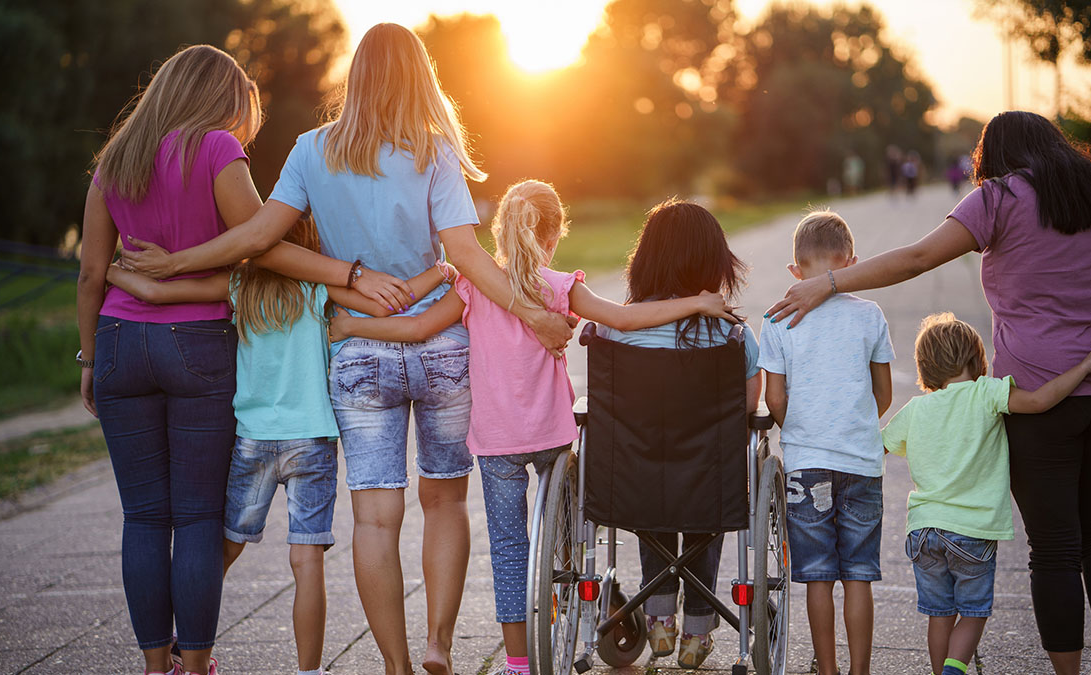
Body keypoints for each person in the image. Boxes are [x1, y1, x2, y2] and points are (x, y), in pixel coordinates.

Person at [118, 24, 574, 675]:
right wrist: (533, 312)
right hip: (442, 349)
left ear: (355, 77)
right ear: (421, 78)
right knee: (444, 499)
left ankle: (395, 665)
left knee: (375, 517)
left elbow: (261, 240)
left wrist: (181, 263)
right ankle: (439, 645)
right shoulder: (435, 151)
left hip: (360, 353)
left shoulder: (310, 151)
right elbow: (467, 256)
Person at [765, 110, 1091, 675]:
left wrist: (829, 283)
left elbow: (916, 258)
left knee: (1055, 547)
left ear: (994, 159)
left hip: (1039, 395)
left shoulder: (999, 199)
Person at [329, 183, 735, 675]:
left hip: (497, 442)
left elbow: (416, 329)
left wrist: (352, 327)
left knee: (507, 549)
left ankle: (519, 662)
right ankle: (571, 589)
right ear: (553, 234)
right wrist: (696, 303)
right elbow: (625, 320)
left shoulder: (475, 286)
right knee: (566, 533)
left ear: (501, 228)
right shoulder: (560, 286)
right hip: (553, 436)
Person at [106, 217, 455, 675]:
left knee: (223, 547)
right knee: (306, 560)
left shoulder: (239, 287)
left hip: (252, 439)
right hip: (311, 441)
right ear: (309, 247)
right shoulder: (317, 289)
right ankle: (309, 671)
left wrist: (106, 270)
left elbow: (155, 293)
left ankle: (183, 638)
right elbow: (392, 304)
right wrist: (442, 272)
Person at [882, 313, 1091, 675]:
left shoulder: (916, 409)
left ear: (925, 367)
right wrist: (1085, 366)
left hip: (923, 531)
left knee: (939, 614)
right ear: (977, 360)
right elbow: (1040, 401)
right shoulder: (986, 393)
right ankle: (952, 671)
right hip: (972, 531)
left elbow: (879, 445)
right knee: (973, 614)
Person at [599, 200, 762, 669]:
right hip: (707, 478)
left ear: (645, 260)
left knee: (655, 492)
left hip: (635, 476)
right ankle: (696, 632)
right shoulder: (732, 335)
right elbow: (748, 406)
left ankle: (658, 620)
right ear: (714, 263)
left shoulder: (618, 331)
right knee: (704, 499)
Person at [759, 210, 893, 675]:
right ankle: (860, 671)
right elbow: (884, 394)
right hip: (861, 462)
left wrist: (802, 429)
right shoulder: (870, 315)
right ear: (851, 264)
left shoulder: (777, 320)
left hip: (806, 464)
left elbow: (774, 397)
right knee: (858, 575)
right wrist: (851, 425)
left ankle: (829, 670)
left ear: (795, 271)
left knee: (817, 576)